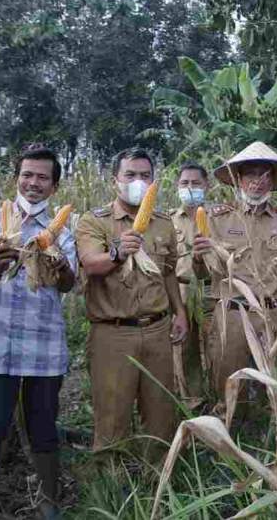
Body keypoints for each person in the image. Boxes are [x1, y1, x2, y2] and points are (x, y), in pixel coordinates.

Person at [0, 145, 76, 519]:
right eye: (27, 174)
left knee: (44, 430)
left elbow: (67, 284)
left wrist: (57, 262)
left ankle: (48, 504)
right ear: (17, 178)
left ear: (54, 186)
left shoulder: (63, 230)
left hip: (43, 350)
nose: (33, 183)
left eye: (43, 177)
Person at [75, 147, 188, 454]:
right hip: (113, 332)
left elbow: (168, 274)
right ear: (116, 180)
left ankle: (159, 481)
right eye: (130, 175)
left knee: (161, 412)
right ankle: (112, 484)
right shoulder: (94, 221)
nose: (138, 181)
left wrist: (179, 312)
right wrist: (117, 252)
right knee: (112, 414)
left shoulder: (164, 224)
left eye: (145, 176)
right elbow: (90, 264)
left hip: (156, 330)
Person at [191, 142, 277, 406]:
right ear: (238, 178)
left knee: (273, 389)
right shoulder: (217, 219)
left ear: (272, 181)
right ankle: (225, 436)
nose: (258, 181)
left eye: (265, 174)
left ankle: (269, 439)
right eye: (251, 174)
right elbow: (203, 273)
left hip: (273, 314)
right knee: (227, 386)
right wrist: (197, 256)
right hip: (233, 314)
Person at [172, 161, 210, 401]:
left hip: (210, 293)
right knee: (185, 352)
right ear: (177, 186)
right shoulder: (168, 221)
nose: (190, 188)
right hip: (181, 294)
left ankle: (219, 399)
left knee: (214, 349)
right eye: (185, 183)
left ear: (207, 185)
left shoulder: (217, 219)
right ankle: (192, 401)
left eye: (196, 183)